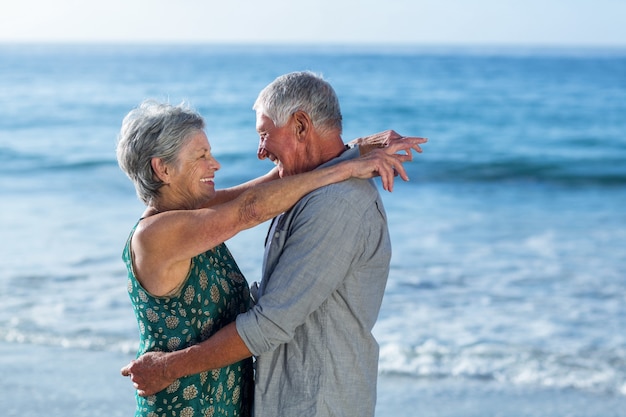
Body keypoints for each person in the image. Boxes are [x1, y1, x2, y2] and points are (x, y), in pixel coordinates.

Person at [117, 98, 425, 417]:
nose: (215, 164)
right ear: (163, 169)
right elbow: (251, 210)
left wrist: (361, 147)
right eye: (201, 156)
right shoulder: (156, 236)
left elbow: (274, 183)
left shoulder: (192, 212)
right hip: (183, 407)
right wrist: (347, 169)